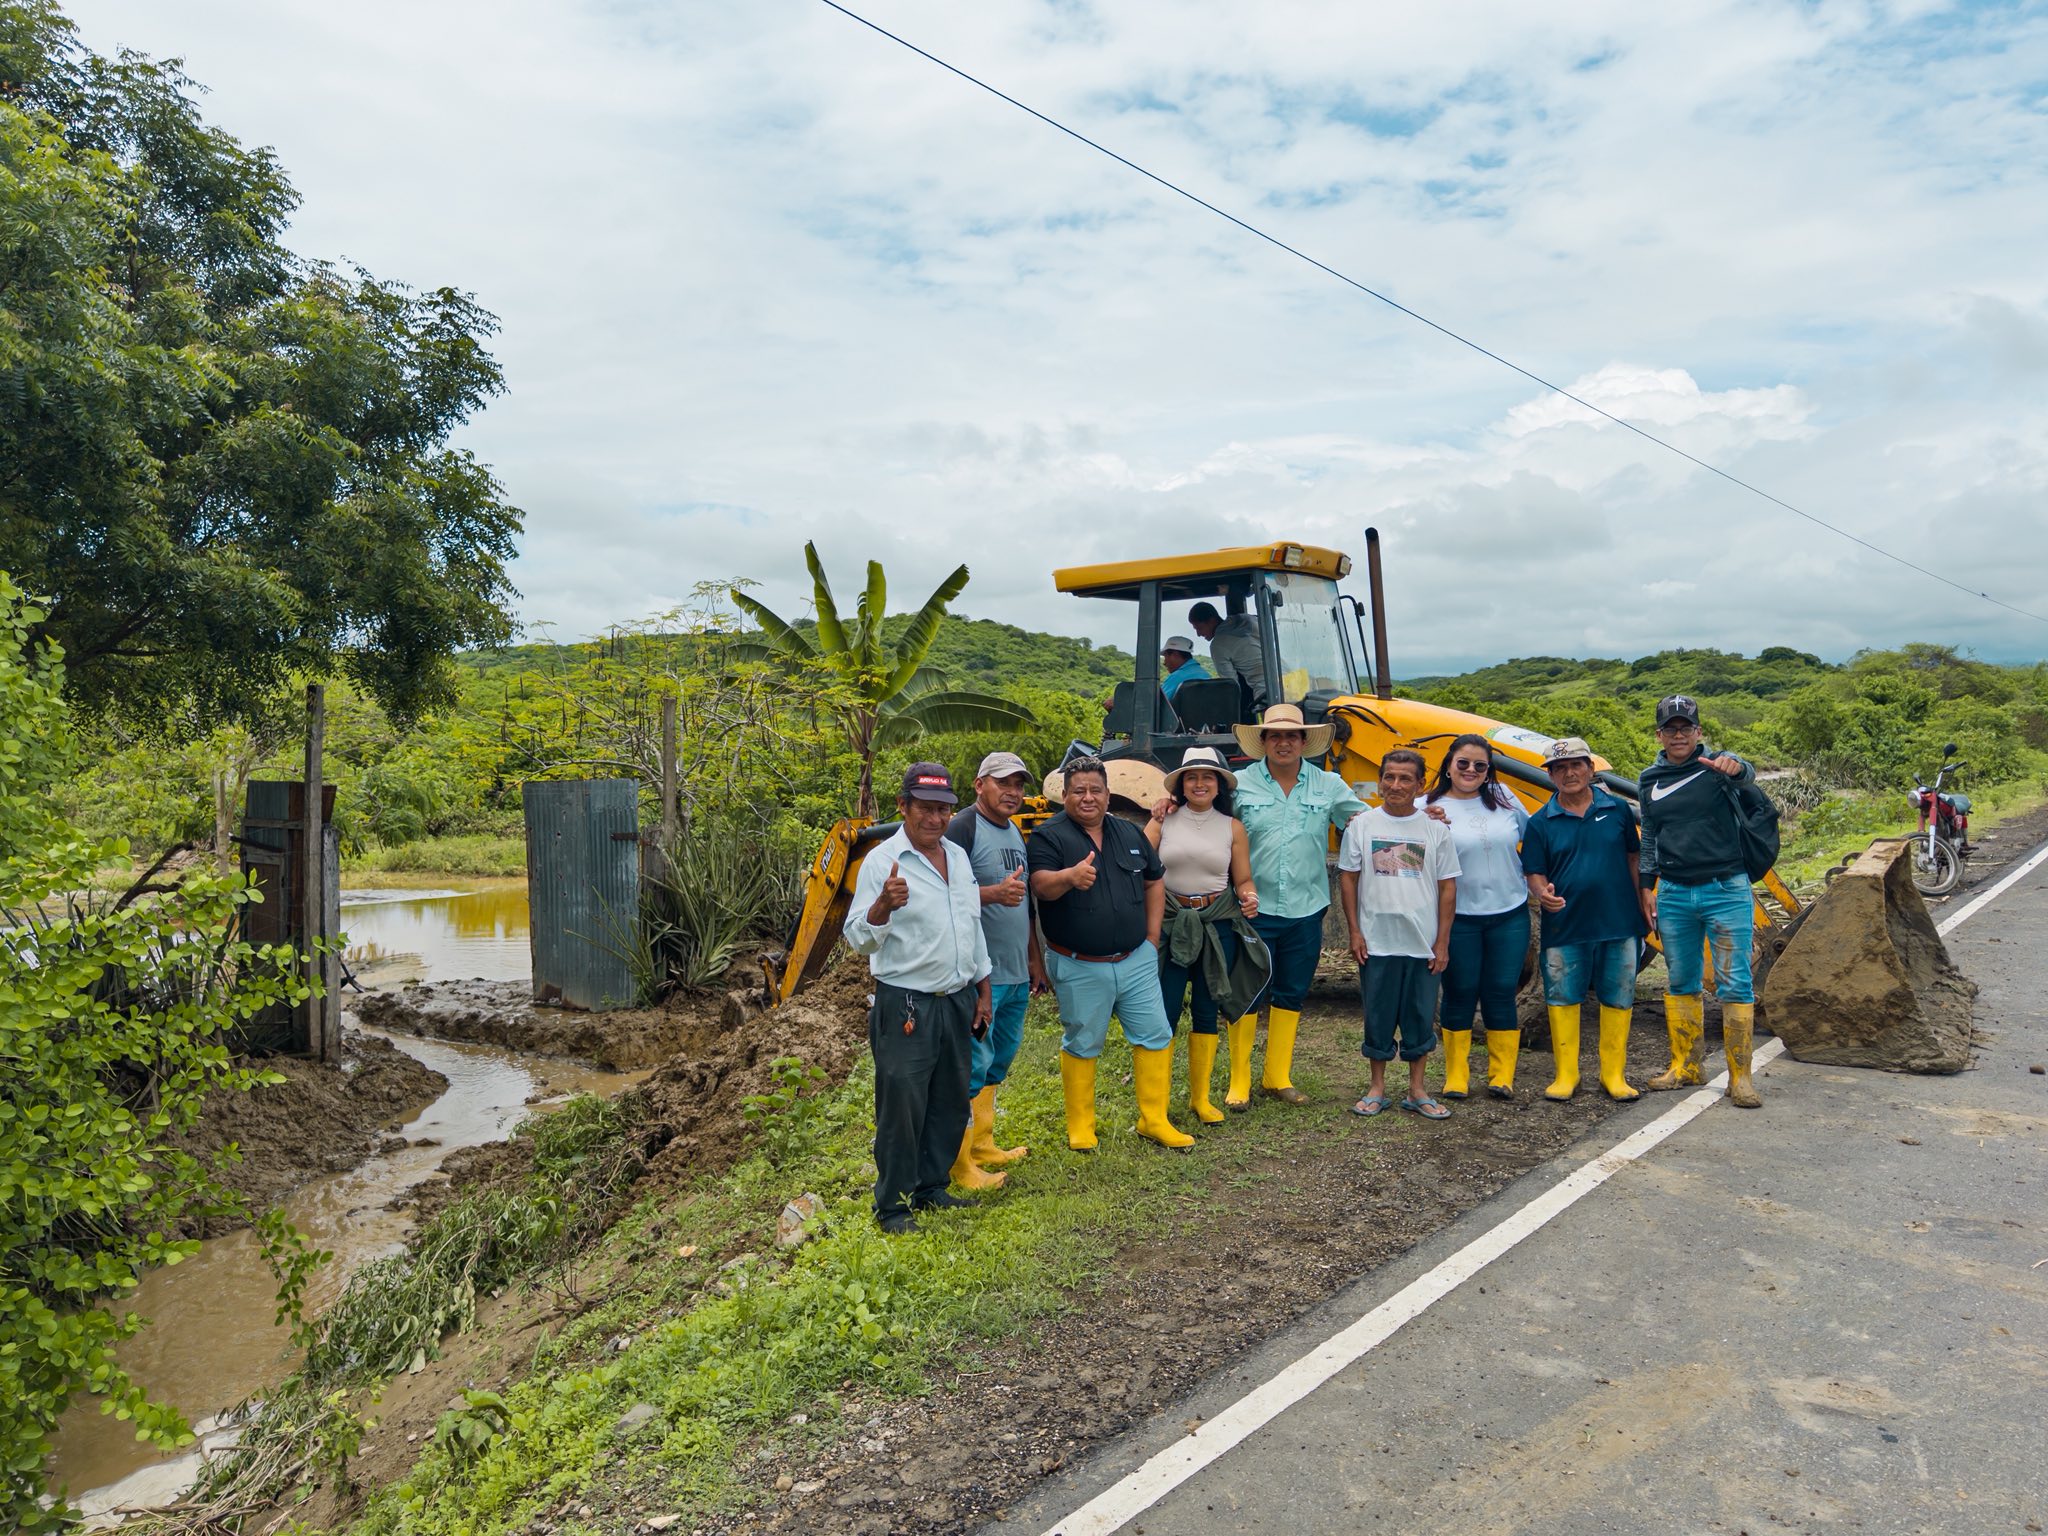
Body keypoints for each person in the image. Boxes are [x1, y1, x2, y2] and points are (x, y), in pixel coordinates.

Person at [841, 762, 994, 1235]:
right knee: (902, 1107)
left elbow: (970, 925)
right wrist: (883, 906)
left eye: (943, 810)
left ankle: (931, 1186)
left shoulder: (958, 857)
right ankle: (893, 1205)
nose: (935, 819)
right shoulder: (882, 862)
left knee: (950, 1099)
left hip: (956, 999)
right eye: (925, 808)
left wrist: (983, 988)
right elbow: (857, 938)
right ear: (903, 807)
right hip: (906, 1003)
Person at [1028, 756, 1191, 1151]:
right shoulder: (1049, 836)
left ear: (1107, 794)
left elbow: (1154, 880)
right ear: (1065, 794)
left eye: (1095, 790)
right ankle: (1081, 1127)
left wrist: (1151, 937)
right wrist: (1069, 877)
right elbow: (1040, 886)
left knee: (1155, 1035)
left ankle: (1154, 1120)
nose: (1088, 798)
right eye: (1079, 791)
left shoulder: (1128, 832)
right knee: (1083, 1041)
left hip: (1136, 959)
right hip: (1079, 963)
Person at [1226, 702, 1370, 1107]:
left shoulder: (1329, 785)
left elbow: (1367, 822)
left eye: (1292, 736)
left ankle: (1277, 1077)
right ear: (1264, 742)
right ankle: (1239, 1081)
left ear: (1304, 742)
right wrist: (1165, 807)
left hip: (1306, 907)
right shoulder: (1239, 785)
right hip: (1252, 908)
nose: (1284, 743)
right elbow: (1205, 819)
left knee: (1292, 991)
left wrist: (1424, 816)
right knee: (1247, 992)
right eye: (1275, 736)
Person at [1638, 695, 1764, 1108]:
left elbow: (1746, 774)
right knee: (1680, 980)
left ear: (1699, 732)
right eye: (1670, 729)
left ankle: (1740, 1078)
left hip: (1725, 888)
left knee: (1735, 981)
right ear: (1659, 735)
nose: (1678, 735)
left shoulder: (1718, 767)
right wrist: (1647, 885)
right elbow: (1650, 835)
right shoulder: (1649, 778)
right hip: (1674, 892)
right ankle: (1686, 1066)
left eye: (1686, 728)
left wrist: (1737, 766)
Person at [1518, 737, 1650, 1102]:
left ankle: (1613, 1074)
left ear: (1591, 769)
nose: (1569, 773)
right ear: (1551, 776)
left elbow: (1633, 857)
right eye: (1559, 768)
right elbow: (1534, 872)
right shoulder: (1540, 822)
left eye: (1576, 765)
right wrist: (1541, 892)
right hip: (1566, 924)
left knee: (1618, 994)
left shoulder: (1618, 810)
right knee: (1563, 995)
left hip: (1619, 921)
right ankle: (1567, 1074)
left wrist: (1644, 896)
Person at [1145, 747, 1270, 1124]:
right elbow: (1139, 867)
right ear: (1181, 785)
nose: (1199, 784)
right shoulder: (1162, 821)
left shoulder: (1232, 827)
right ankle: (1158, 1103)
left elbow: (1243, 879)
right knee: (1165, 1011)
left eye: (1207, 777)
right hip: (1170, 922)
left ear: (1219, 785)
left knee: (1206, 1008)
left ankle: (1200, 1099)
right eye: (1192, 777)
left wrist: (1249, 897)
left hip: (1217, 924)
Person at [944, 751, 1051, 1189]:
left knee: (999, 1058)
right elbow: (941, 893)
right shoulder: (962, 828)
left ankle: (983, 1143)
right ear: (979, 784)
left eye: (1019, 785)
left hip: (1015, 970)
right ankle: (959, 1162)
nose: (1013, 792)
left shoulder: (1013, 832)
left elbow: (1023, 904)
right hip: (979, 975)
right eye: (1003, 783)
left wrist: (1034, 958)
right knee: (972, 1064)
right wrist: (991, 894)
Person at [1337, 748, 1459, 1119]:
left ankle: (1417, 1090)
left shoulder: (1435, 830)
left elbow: (1447, 887)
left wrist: (1442, 941)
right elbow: (1348, 879)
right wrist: (1355, 931)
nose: (1395, 785)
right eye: (1389, 777)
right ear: (1379, 781)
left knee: (1420, 1015)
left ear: (1420, 785)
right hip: (1376, 941)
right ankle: (1377, 1088)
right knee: (1378, 1014)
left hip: (1422, 942)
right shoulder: (1361, 825)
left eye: (1405, 778)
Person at [1423, 734, 1532, 1099]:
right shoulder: (1427, 806)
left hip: (1509, 913)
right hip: (1458, 918)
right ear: (1448, 766)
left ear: (1489, 771)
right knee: (1460, 991)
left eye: (1480, 765)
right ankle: (1457, 1075)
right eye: (1463, 763)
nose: (1470, 770)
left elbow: (1534, 838)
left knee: (1501, 991)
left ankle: (1502, 1076)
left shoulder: (1505, 798)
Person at [1188, 601, 1268, 709]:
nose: (1198, 634)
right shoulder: (1249, 620)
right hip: (1288, 680)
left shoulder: (1218, 645)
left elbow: (1231, 687)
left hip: (1265, 693)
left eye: (1199, 628)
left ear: (1212, 621)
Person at [1158, 636, 1211, 704]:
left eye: (1165, 657)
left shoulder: (1176, 677)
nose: (1164, 663)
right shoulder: (1205, 674)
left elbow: (1157, 704)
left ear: (1175, 655)